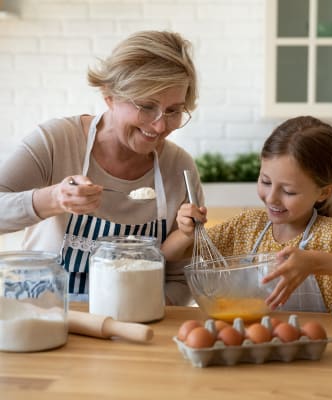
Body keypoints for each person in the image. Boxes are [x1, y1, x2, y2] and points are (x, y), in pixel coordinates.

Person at [0, 30, 204, 304]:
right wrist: (54, 198)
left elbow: (180, 279)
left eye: (173, 111)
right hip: (43, 319)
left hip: (134, 330)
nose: (159, 126)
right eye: (146, 106)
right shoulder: (56, 141)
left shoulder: (179, 168)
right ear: (109, 96)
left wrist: (139, 313)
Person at [162, 116, 332, 312]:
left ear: (323, 192)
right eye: (265, 181)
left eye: (288, 191)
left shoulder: (331, 236)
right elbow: (170, 253)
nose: (272, 198)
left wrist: (315, 263)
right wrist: (185, 232)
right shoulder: (246, 226)